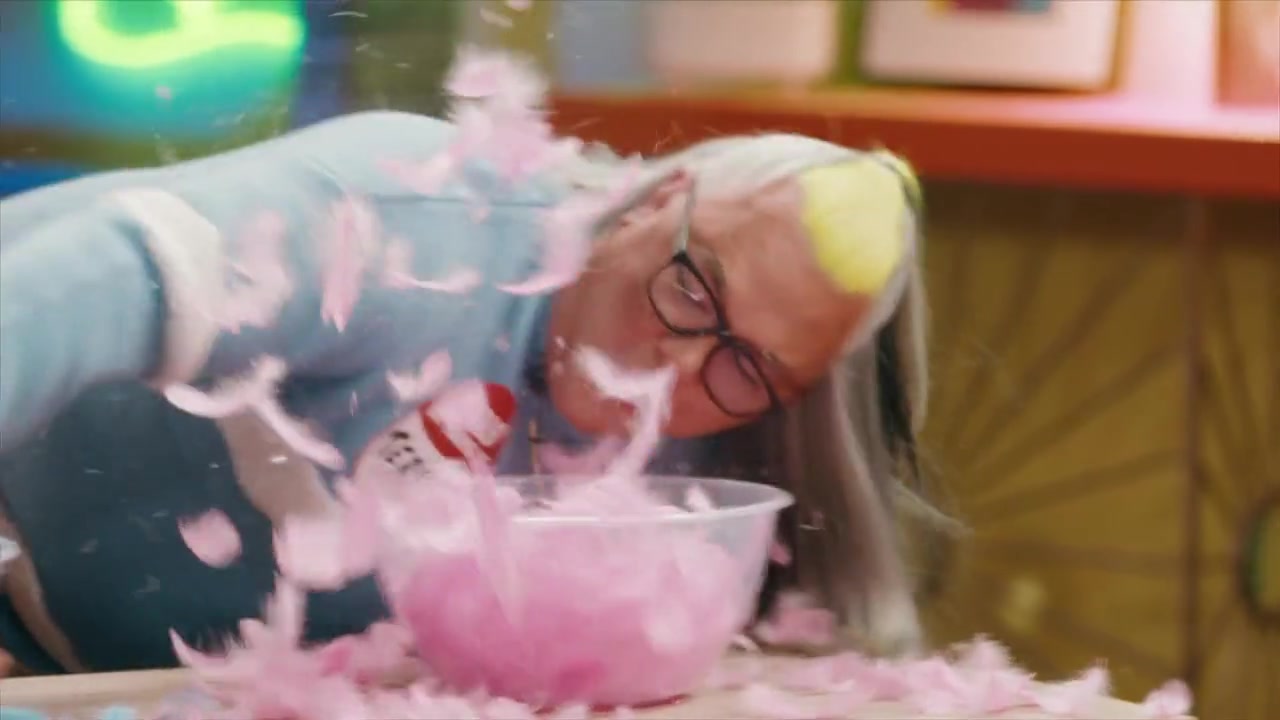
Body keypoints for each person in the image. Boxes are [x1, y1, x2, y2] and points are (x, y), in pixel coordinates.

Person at [0, 109, 931, 675]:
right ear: (658, 200)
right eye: (693, 289)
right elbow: (107, 274)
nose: (676, 366)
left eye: (747, 368)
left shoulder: (710, 463)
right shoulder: (417, 222)